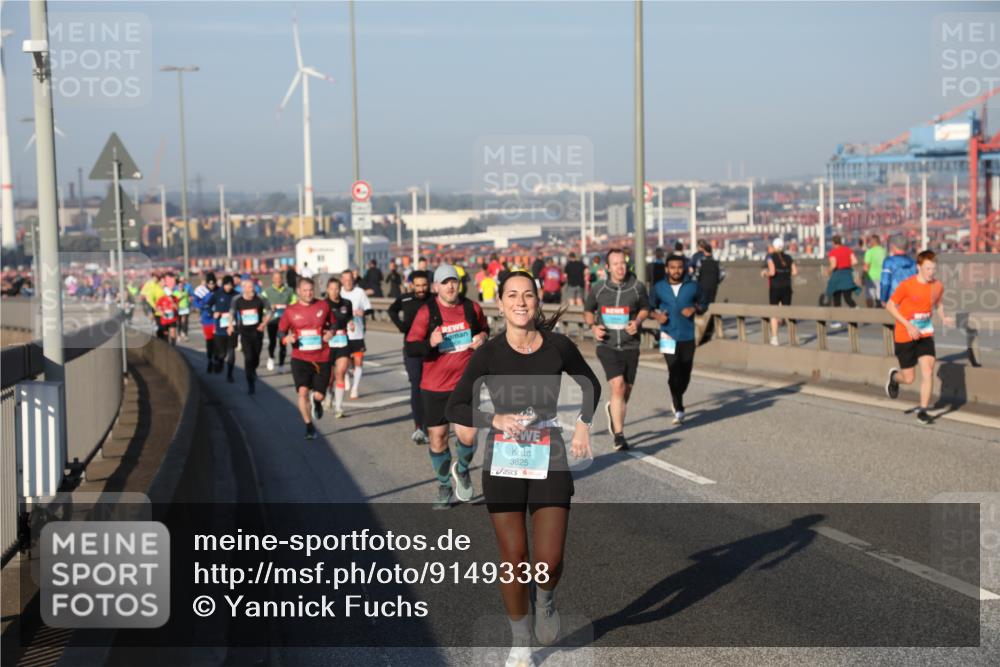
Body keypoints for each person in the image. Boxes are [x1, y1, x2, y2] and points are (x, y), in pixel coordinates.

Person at [445, 271, 599, 664]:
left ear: (537, 301)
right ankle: (520, 641)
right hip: (504, 459)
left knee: (547, 562)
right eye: (512, 295)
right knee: (514, 557)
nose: (520, 301)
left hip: (550, 455)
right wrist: (492, 420)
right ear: (500, 304)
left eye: (527, 295)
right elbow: (457, 405)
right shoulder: (490, 353)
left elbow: (589, 385)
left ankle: (545, 599)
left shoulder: (558, 346)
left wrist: (582, 425)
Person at [405, 265, 489, 509]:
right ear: (436, 287)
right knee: (439, 439)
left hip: (465, 383)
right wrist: (429, 343)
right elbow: (411, 347)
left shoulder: (472, 308)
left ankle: (461, 470)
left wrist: (483, 338)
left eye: (454, 281)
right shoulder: (426, 312)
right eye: (445, 283)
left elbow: (484, 329)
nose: (450, 286)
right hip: (434, 386)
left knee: (469, 435)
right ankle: (443, 486)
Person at [583, 248, 650, 450]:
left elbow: (646, 308)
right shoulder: (598, 289)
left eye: (623, 263)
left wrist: (637, 321)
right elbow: (587, 311)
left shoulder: (637, 287)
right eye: (615, 264)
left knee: (626, 391)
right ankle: (619, 435)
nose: (620, 267)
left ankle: (614, 409)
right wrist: (594, 327)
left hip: (631, 345)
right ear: (607, 267)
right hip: (607, 345)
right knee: (618, 386)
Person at [884, 251, 954, 425]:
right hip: (904, 334)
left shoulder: (937, 285)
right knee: (909, 378)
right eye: (928, 268)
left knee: (928, 370)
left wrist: (943, 316)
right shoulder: (907, 285)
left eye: (933, 268)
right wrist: (908, 325)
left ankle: (923, 411)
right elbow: (890, 306)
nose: (931, 272)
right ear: (919, 267)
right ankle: (894, 378)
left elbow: (938, 302)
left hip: (925, 334)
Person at [278, 277, 334, 439]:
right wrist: (285, 339)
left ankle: (317, 402)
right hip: (300, 357)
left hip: (321, 357)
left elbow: (334, 324)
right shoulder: (290, 310)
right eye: (305, 290)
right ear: (298, 292)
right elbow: (281, 331)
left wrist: (331, 332)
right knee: (302, 392)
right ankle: (309, 426)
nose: (309, 293)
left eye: (311, 290)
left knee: (319, 395)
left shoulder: (323, 306)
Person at [650, 254, 703, 425]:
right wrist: (657, 316)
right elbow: (649, 307)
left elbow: (704, 303)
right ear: (667, 269)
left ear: (685, 268)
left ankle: (677, 395)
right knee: (673, 371)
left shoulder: (693, 286)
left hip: (687, 335)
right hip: (668, 334)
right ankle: (679, 408)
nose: (676, 270)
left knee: (685, 373)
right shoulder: (659, 287)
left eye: (679, 267)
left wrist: (694, 308)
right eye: (672, 267)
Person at [388, 270, 432, 443]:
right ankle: (418, 427)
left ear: (428, 284)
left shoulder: (434, 299)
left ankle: (430, 424)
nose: (421, 289)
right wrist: (401, 326)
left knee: (429, 388)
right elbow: (392, 311)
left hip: (431, 350)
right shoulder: (405, 299)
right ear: (412, 285)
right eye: (418, 286)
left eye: (424, 285)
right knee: (416, 385)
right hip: (411, 350)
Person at [228, 277, 269, 395]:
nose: (252, 289)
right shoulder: (237, 299)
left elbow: (270, 311)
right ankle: (250, 383)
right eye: (250, 287)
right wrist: (230, 325)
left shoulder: (260, 298)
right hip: (244, 333)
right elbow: (231, 312)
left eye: (253, 287)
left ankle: (253, 370)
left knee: (256, 358)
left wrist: (264, 323)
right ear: (243, 289)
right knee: (248, 358)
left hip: (258, 332)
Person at [324, 277, 355, 418]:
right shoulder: (323, 305)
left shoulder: (347, 303)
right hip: (328, 343)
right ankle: (328, 394)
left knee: (340, 372)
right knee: (329, 377)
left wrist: (351, 323)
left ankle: (339, 408)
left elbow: (349, 317)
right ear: (327, 290)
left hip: (343, 341)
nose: (334, 291)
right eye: (331, 289)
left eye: (337, 288)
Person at [339, 269, 373, 399]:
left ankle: (355, 388)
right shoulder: (339, 292)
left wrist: (363, 312)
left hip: (357, 334)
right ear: (342, 280)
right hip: (342, 334)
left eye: (350, 279)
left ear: (353, 280)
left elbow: (369, 309)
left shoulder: (360, 292)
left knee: (359, 361)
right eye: (345, 280)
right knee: (346, 362)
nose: (347, 282)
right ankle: (346, 375)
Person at [766, 238, 797, 346]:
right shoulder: (789, 257)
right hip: (787, 288)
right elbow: (795, 272)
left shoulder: (771, 257)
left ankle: (774, 338)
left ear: (774, 247)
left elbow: (772, 272)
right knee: (787, 313)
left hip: (775, 288)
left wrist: (765, 273)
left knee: (773, 313)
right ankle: (793, 337)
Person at [262, 271, 296, 372]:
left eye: (279, 278)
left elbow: (294, 303)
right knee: (272, 342)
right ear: (272, 279)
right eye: (275, 278)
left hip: (284, 322)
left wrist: (288, 308)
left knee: (283, 343)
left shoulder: (289, 290)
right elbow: (262, 305)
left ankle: (281, 365)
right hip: (272, 320)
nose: (278, 280)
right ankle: (271, 357)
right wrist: (269, 308)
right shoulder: (266, 291)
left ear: (282, 279)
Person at [207, 276, 238, 381]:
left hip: (232, 327)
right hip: (220, 329)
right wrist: (213, 313)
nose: (228, 287)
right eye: (226, 284)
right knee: (222, 353)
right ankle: (219, 361)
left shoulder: (236, 295)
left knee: (231, 351)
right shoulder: (217, 294)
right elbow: (207, 305)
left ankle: (230, 374)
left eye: (230, 284)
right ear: (223, 285)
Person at [825, 235, 859, 326]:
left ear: (833, 243)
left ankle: (837, 321)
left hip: (838, 276)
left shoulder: (833, 252)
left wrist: (827, 272)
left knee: (837, 299)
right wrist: (847, 264)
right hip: (847, 275)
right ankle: (857, 313)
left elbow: (833, 265)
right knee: (848, 298)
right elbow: (855, 261)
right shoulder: (848, 250)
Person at [879, 235, 917, 305]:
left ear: (893, 247)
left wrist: (883, 298)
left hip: (894, 298)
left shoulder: (889, 262)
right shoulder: (913, 262)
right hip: (911, 297)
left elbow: (885, 282)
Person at [193, 273, 219, 372]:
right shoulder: (201, 290)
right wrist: (204, 305)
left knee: (218, 341)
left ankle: (216, 359)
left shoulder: (219, 290)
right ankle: (210, 360)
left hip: (217, 320)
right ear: (206, 283)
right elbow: (195, 303)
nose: (212, 286)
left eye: (213, 284)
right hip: (207, 320)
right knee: (209, 341)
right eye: (210, 284)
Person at [863, 235, 887, 307]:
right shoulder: (884, 251)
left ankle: (870, 313)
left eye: (869, 241)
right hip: (882, 276)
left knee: (869, 296)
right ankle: (879, 310)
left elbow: (866, 266)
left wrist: (863, 276)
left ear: (872, 242)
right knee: (880, 295)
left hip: (871, 276)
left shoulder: (869, 252)